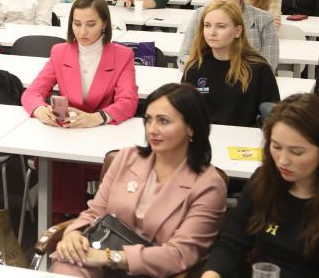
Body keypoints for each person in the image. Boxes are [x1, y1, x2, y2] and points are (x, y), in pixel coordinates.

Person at [51, 83, 227, 277]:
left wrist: (110, 257)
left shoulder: (209, 185)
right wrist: (74, 234)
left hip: (153, 272)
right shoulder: (127, 158)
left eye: (163, 121)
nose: (152, 129)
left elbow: (179, 254)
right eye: (148, 120)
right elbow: (95, 213)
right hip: (98, 258)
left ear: (191, 128)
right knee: (67, 266)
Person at [202, 94, 319, 278]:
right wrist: (212, 274)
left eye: (296, 152)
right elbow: (232, 243)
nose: (282, 160)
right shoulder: (263, 181)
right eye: (276, 146)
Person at [22, 0, 138, 215]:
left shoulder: (122, 55)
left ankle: (67, 222)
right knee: (59, 159)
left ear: (104, 24)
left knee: (63, 163)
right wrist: (39, 109)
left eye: (91, 24)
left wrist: (97, 117)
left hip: (100, 141)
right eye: (77, 24)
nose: (83, 32)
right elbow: (32, 93)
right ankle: (67, 223)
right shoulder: (60, 52)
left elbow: (129, 102)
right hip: (65, 137)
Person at [180, 1, 279, 127]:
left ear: (238, 31)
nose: (212, 32)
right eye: (207, 25)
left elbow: (272, 117)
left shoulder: (259, 69)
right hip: (204, 135)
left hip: (244, 137)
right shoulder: (194, 67)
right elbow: (184, 113)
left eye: (221, 26)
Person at [179, 0, 279, 71]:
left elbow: (269, 64)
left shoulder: (264, 20)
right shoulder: (200, 15)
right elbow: (184, 57)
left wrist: (233, 75)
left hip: (249, 79)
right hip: (208, 76)